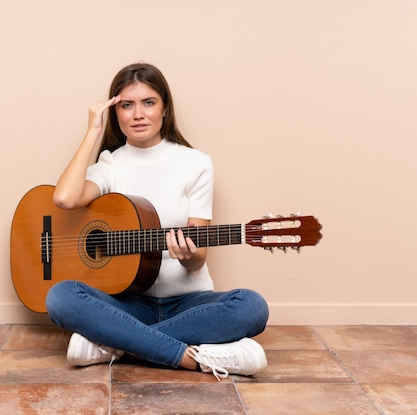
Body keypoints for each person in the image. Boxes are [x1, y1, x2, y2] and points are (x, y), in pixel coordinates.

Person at [46, 62, 269, 380]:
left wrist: (190, 255)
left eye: (148, 103)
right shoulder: (110, 164)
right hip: (127, 303)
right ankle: (194, 358)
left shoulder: (196, 163)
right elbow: (65, 198)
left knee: (252, 306)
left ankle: (115, 344)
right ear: (116, 112)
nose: (138, 114)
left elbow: (198, 261)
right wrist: (93, 131)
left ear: (165, 108)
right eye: (126, 105)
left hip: (189, 304)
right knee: (60, 297)